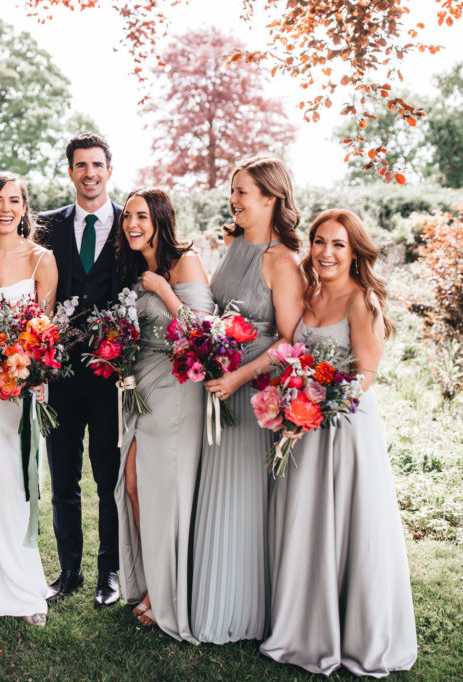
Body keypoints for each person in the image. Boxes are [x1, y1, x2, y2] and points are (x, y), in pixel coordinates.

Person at [260, 208, 417, 676]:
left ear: (354, 252)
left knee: (348, 524)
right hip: (305, 425)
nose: (326, 252)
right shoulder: (308, 294)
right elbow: (294, 353)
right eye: (320, 241)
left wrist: (325, 397)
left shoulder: (360, 300)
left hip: (345, 427)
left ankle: (354, 633)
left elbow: (367, 373)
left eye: (338, 244)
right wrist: (294, 397)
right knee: (307, 522)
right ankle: (305, 625)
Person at [190, 155, 305, 644]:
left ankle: (244, 612)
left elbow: (289, 341)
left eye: (242, 192)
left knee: (245, 499)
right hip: (220, 383)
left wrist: (239, 376)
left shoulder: (282, 260)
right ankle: (211, 601)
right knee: (216, 490)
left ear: (271, 198)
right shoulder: (233, 245)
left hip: (254, 392)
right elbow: (218, 310)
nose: (233, 200)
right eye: (233, 191)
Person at [113, 189, 212, 641]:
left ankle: (167, 594)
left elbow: (204, 333)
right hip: (139, 386)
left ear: (160, 219)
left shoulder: (184, 263)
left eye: (141, 216)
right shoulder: (136, 268)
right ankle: (152, 581)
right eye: (127, 216)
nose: (132, 224)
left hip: (176, 387)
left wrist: (165, 291)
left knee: (165, 493)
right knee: (133, 487)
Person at [0, 172, 57, 626]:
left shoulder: (43, 260)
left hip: (21, 391)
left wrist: (37, 373)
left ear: (25, 207)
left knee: (19, 481)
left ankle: (22, 584)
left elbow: (47, 332)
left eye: (14, 200)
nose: (6, 207)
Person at [38, 133, 124, 608]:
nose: (89, 172)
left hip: (112, 378)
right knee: (63, 477)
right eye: (80, 165)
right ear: (69, 172)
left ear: (109, 170)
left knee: (107, 477)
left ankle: (108, 572)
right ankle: (69, 568)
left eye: (97, 164)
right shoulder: (46, 226)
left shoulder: (132, 224)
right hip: (60, 377)